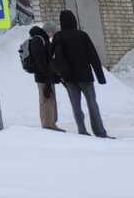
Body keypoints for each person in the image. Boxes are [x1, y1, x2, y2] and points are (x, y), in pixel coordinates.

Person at [51, 8, 110, 137]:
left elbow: (52, 58)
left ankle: (82, 131)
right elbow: (93, 56)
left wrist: (56, 75)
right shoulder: (82, 35)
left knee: (76, 106)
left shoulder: (58, 37)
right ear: (74, 21)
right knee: (92, 104)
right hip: (85, 76)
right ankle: (100, 132)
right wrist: (100, 77)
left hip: (69, 78)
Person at [26, 24, 63, 131]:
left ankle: (49, 123)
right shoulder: (39, 40)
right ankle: (49, 125)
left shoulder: (40, 39)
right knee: (47, 100)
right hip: (43, 76)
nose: (52, 36)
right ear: (49, 32)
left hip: (44, 75)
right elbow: (41, 61)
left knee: (46, 99)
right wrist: (47, 76)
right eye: (53, 33)